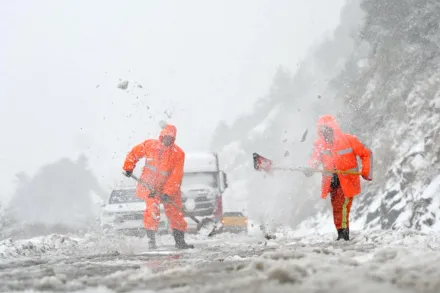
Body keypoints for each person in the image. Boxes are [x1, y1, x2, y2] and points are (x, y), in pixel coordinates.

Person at [122, 124, 193, 249]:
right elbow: (134, 153)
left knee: (176, 213)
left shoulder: (178, 154)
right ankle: (151, 241)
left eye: (170, 138)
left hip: (170, 187)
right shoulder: (150, 145)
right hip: (150, 185)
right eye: (165, 137)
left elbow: (176, 176)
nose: (167, 140)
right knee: (152, 210)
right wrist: (128, 167)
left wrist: (168, 193)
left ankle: (180, 242)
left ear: (174, 139)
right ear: (161, 136)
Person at [304, 115, 372, 241]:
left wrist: (366, 171)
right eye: (322, 130)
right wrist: (309, 168)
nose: (325, 133)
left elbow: (366, 154)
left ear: (333, 128)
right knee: (337, 208)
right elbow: (315, 159)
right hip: (332, 182)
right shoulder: (320, 145)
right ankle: (340, 233)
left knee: (344, 208)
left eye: (327, 129)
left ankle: (343, 235)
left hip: (348, 182)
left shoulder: (349, 140)